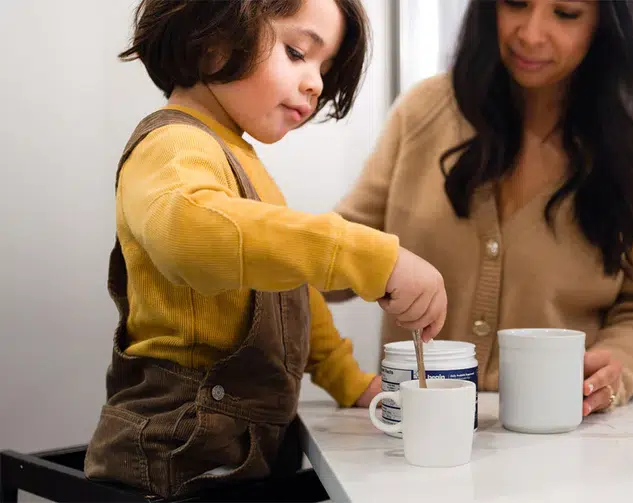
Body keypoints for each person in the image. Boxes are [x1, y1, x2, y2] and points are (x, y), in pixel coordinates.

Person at [83, 0, 446, 498]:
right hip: (175, 456)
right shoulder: (172, 145)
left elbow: (291, 298)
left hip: (237, 453)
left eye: (325, 67)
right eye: (298, 52)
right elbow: (189, 238)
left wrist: (349, 380)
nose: (316, 83)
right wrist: (365, 254)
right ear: (214, 37)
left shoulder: (241, 160)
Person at [331, 0, 633, 417]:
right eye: (516, 4)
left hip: (563, 432)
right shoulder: (423, 110)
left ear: (607, 24)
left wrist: (618, 366)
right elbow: (338, 255)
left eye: (566, 14)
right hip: (419, 428)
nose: (531, 34)